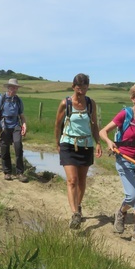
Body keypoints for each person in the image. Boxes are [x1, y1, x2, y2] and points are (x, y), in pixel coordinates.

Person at [99, 83, 135, 246]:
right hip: (124, 159)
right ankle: (121, 212)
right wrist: (109, 142)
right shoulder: (125, 114)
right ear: (133, 98)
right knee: (132, 195)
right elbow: (103, 131)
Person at [55, 73, 103, 229]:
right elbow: (57, 125)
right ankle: (75, 213)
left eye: (84, 87)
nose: (81, 91)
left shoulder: (91, 104)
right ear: (73, 87)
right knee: (72, 180)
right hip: (68, 144)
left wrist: (98, 143)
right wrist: (57, 143)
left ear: (88, 87)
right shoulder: (65, 104)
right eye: (78, 87)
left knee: (82, 180)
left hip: (86, 144)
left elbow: (94, 124)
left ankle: (78, 205)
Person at [0, 79, 27, 182]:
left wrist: (24, 125)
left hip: (16, 125)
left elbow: (22, 116)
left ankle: (20, 172)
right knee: (4, 147)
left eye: (16, 87)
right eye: (12, 87)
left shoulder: (18, 100)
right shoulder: (1, 99)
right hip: (4, 125)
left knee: (18, 145)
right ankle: (7, 172)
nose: (14, 89)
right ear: (8, 88)